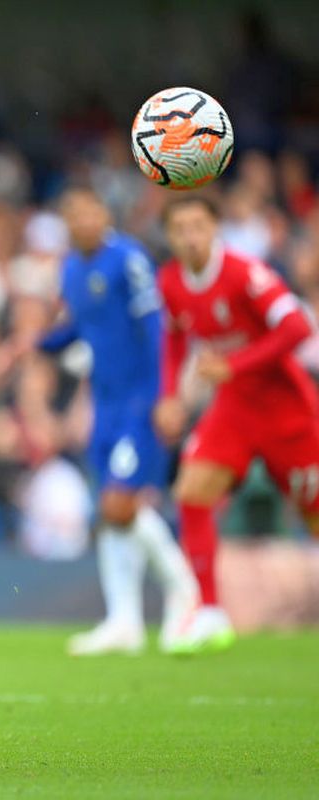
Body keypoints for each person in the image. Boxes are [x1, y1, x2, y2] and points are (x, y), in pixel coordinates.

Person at [36, 186, 198, 656]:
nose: (84, 220)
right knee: (111, 514)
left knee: (119, 504)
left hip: (139, 399)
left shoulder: (128, 258)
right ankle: (123, 621)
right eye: (74, 213)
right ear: (66, 222)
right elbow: (78, 328)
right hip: (104, 404)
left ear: (104, 214)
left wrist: (165, 395)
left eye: (91, 211)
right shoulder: (70, 268)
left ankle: (185, 591)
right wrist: (36, 345)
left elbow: (155, 327)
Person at [155, 194, 319, 652]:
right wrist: (169, 398)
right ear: (169, 236)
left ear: (215, 228)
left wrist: (237, 364)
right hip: (234, 407)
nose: (190, 236)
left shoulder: (246, 272)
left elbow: (297, 329)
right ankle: (209, 611)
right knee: (191, 492)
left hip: (286, 408)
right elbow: (172, 340)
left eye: (198, 225)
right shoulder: (169, 281)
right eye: (180, 228)